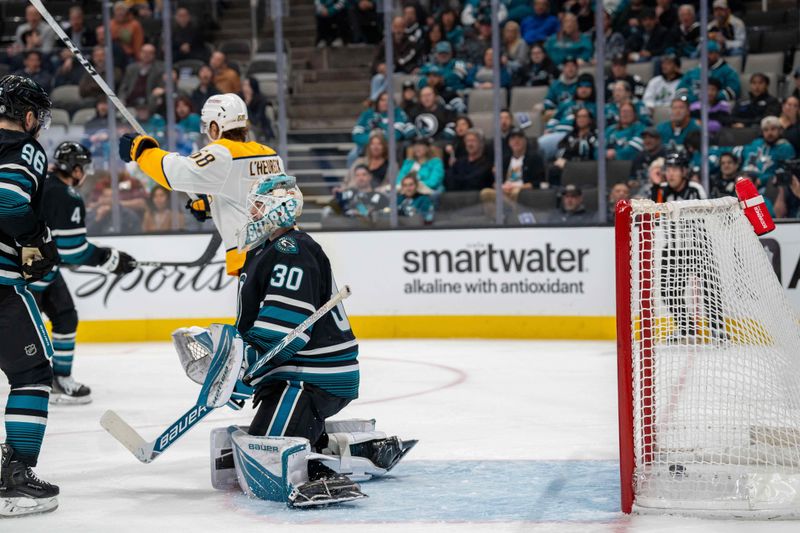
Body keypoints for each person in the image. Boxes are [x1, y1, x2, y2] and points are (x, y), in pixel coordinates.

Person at [200, 174, 414, 507]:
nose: (252, 215)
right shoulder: (271, 249)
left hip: (309, 378)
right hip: (298, 374)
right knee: (255, 450)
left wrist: (245, 369)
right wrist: (240, 369)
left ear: (278, 209)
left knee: (267, 451)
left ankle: (318, 473)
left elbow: (283, 330)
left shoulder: (290, 250)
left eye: (258, 207)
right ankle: (353, 447)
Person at [119, 93, 285, 276]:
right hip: (286, 246)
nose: (207, 133)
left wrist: (142, 151)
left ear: (215, 127)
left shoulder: (223, 152)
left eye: (207, 126)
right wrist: (211, 204)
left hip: (255, 257)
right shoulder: (270, 154)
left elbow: (175, 173)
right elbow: (248, 195)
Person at [31, 142, 136, 404]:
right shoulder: (66, 195)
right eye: (84, 168)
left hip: (38, 269)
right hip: (27, 277)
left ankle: (59, 380)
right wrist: (109, 259)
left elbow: (57, 246)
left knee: (66, 317)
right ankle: (37, 385)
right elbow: (72, 249)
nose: (85, 173)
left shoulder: (43, 184)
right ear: (75, 169)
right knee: (25, 333)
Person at [0, 75, 60, 517]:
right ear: (27, 116)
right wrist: (35, 238)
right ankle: (16, 476)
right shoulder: (24, 147)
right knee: (34, 370)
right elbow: (7, 200)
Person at [480, 127, 545, 217]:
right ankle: (496, 220)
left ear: (525, 141)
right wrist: (500, 186)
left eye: (519, 138)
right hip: (504, 191)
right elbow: (495, 183)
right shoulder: (504, 160)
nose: (516, 141)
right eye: (513, 138)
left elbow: (538, 183)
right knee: (485, 192)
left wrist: (519, 187)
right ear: (509, 142)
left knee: (515, 192)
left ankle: (512, 215)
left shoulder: (534, 159)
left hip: (521, 191)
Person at [733, 115, 797, 187]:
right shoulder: (756, 143)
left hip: (767, 185)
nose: (769, 133)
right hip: (744, 178)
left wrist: (762, 180)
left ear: (780, 130)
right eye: (766, 130)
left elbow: (786, 172)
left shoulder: (785, 147)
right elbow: (739, 152)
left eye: (773, 129)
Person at [676, 40, 740, 103]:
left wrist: (710, 98)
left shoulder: (728, 71)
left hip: (717, 106)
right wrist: (691, 99)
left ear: (717, 54)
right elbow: (680, 90)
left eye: (710, 53)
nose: (706, 56)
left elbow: (733, 91)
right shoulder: (692, 72)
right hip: (692, 107)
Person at [118, 43, 164, 108]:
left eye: (149, 53)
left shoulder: (160, 68)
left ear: (154, 55)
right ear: (140, 53)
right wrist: (121, 99)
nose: (146, 55)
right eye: (144, 52)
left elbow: (162, 86)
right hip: (131, 103)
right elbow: (124, 87)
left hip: (149, 103)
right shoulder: (131, 68)